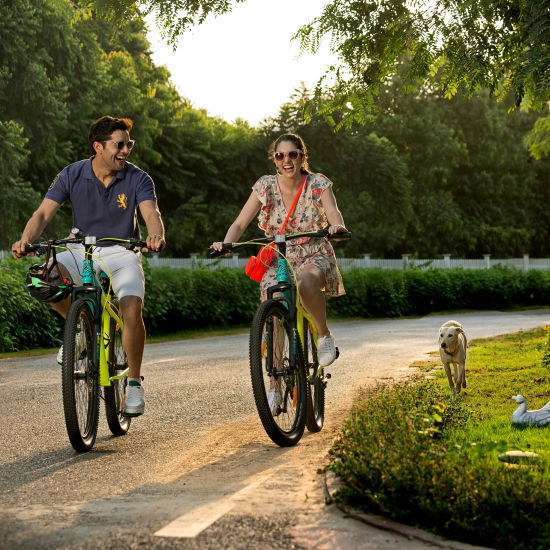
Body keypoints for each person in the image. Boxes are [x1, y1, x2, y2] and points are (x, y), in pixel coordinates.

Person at [11, 115, 165, 417]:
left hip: (123, 250)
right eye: (119, 145)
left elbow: (151, 212)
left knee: (131, 307)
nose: (126, 150)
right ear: (98, 146)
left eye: (128, 144)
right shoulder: (72, 174)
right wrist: (25, 239)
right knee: (44, 280)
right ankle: (80, 328)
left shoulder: (138, 178)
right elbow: (43, 214)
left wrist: (156, 235)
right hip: (80, 247)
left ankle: (134, 382)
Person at [212, 133, 348, 368]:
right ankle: (275, 385)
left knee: (306, 283)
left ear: (302, 157)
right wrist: (227, 243)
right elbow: (240, 223)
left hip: (313, 250)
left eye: (293, 154)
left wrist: (337, 226)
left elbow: (333, 211)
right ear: (274, 160)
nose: (287, 160)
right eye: (280, 155)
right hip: (280, 255)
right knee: (272, 309)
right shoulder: (265, 186)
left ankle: (324, 335)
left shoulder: (317, 183)